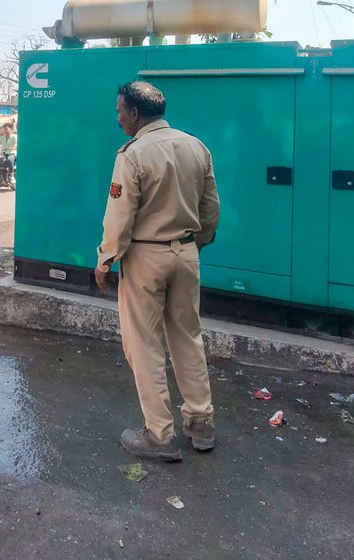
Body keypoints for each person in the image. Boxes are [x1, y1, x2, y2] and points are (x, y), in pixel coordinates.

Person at [95, 81, 220, 462]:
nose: (117, 118)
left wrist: (106, 259)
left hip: (145, 258)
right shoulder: (195, 146)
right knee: (187, 338)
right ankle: (201, 423)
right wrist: (195, 243)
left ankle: (159, 434)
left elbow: (120, 217)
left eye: (120, 111)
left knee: (144, 345)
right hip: (186, 254)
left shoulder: (132, 155)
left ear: (135, 113)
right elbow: (210, 208)